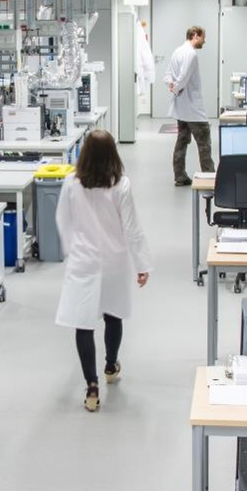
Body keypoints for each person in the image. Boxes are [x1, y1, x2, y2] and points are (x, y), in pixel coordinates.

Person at [54, 129, 152, 412]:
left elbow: (63, 220)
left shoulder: (71, 182)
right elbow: (132, 228)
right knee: (113, 314)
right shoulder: (121, 185)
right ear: (112, 155)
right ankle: (110, 365)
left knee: (83, 323)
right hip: (113, 262)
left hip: (83, 262)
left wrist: (72, 250)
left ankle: (91, 387)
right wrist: (142, 264)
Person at [166, 25, 211, 186]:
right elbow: (184, 77)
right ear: (195, 35)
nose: (204, 41)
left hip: (181, 109)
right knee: (204, 143)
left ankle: (180, 176)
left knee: (182, 141)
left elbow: (168, 75)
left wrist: (172, 85)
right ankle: (210, 177)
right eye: (203, 37)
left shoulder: (177, 51)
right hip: (193, 109)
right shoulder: (191, 54)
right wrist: (177, 88)